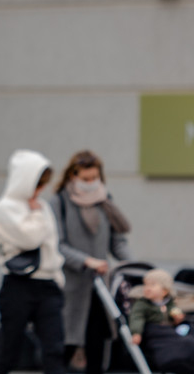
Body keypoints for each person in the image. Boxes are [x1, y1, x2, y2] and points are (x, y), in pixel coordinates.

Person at [50, 150, 132, 373]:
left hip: (101, 289)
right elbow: (57, 245)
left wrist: (134, 266)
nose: (90, 183)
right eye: (85, 179)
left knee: (98, 347)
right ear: (72, 176)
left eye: (94, 178)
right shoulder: (59, 202)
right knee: (65, 347)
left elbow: (118, 243)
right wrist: (87, 261)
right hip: (72, 287)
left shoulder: (105, 201)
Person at [0, 149, 66, 374]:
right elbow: (30, 239)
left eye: (43, 184)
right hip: (18, 284)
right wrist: (35, 215)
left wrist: (57, 279)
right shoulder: (6, 206)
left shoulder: (42, 206)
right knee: (10, 351)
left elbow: (52, 245)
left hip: (48, 285)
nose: (39, 189)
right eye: (37, 183)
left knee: (54, 349)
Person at [129, 269, 194, 374]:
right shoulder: (142, 304)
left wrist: (177, 318)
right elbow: (137, 318)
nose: (147, 289)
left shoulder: (169, 303)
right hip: (156, 332)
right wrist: (136, 332)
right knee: (178, 343)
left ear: (164, 291)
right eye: (146, 285)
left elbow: (175, 314)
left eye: (152, 285)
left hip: (171, 329)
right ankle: (176, 361)